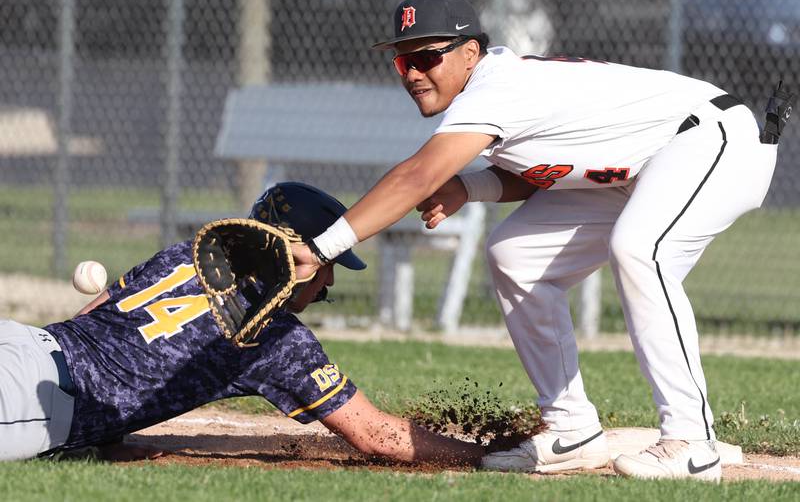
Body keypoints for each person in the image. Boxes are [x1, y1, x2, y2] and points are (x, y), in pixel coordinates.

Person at [291, 0, 780, 482]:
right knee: (516, 254)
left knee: (640, 250)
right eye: (403, 62)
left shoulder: (495, 89)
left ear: (470, 53)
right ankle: (571, 433)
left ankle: (692, 442)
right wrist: (470, 186)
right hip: (641, 165)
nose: (414, 73)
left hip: (712, 138)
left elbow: (416, 176)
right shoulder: (493, 90)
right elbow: (549, 168)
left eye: (426, 57)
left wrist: (321, 249)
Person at [0, 181, 485, 465]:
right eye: (328, 263)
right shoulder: (273, 336)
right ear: (300, 256)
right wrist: (485, 454)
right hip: (39, 402)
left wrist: (105, 435)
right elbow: (376, 434)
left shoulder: (183, 255)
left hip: (25, 342)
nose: (328, 283)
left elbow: (93, 317)